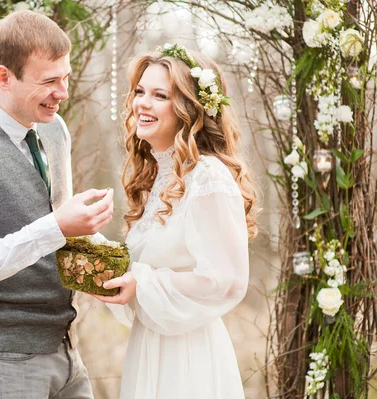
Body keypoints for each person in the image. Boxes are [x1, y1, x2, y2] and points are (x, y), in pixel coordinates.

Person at [0, 10, 113, 399]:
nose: (62, 92)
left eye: (64, 77)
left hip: (65, 349)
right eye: (48, 81)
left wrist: (106, 260)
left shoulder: (53, 128)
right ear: (3, 77)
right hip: (1, 360)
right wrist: (56, 228)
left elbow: (54, 231)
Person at [92, 43, 257, 398]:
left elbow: (227, 280)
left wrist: (143, 283)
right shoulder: (158, 179)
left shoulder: (208, 176)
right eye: (139, 92)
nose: (142, 103)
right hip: (149, 348)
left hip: (188, 358)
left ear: (187, 109)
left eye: (159, 95)